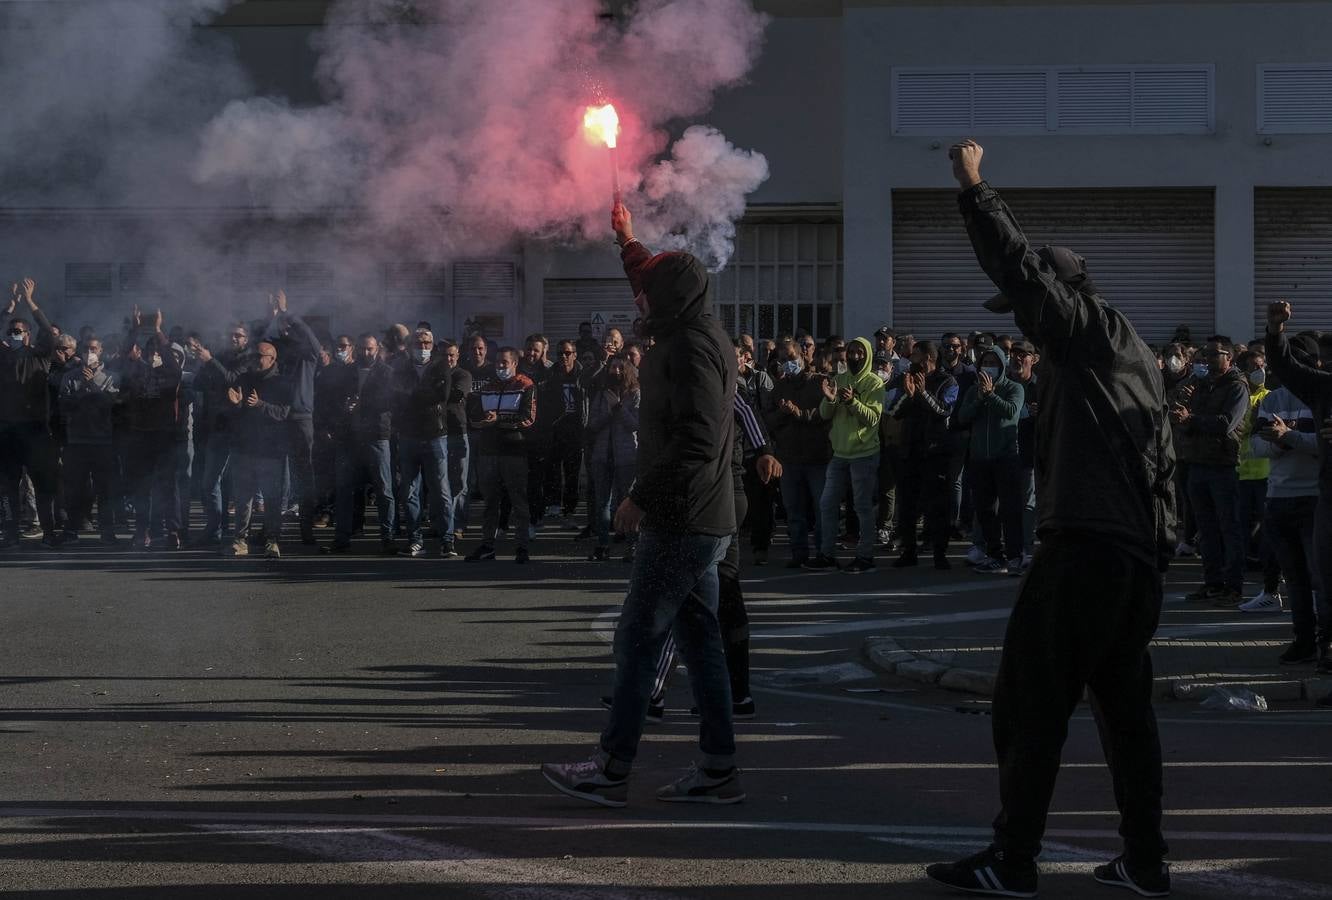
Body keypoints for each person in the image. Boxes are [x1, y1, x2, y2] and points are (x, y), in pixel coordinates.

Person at [926, 140, 1175, 898]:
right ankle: (1145, 858)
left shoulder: (1089, 334)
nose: (1020, 335)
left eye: (1027, 319)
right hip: (1132, 561)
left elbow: (1022, 271)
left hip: (1088, 553)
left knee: (1028, 699)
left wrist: (974, 190)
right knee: (1125, 713)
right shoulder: (1123, 355)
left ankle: (1014, 858)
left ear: (1061, 296)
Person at [543, 202, 742, 808]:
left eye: (647, 292)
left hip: (682, 517)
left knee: (637, 637)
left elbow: (698, 440)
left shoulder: (688, 351)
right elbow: (656, 282)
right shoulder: (692, 326)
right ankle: (718, 769)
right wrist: (629, 242)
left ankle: (610, 767)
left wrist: (638, 495)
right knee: (701, 641)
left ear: (669, 299)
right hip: (701, 516)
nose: (638, 301)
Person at [1247, 332, 1327, 667]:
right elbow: (1256, 446)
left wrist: (1289, 436)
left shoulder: (1320, 396)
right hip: (1278, 497)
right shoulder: (1272, 400)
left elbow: (1323, 446)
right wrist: (1278, 443)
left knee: (1319, 579)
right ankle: (1303, 640)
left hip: (1313, 497)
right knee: (1294, 578)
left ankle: (1326, 644)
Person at [1264, 302, 1332, 689]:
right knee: (1320, 576)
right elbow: (1287, 368)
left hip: (1312, 496)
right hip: (1323, 496)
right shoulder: (1321, 389)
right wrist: (1275, 332)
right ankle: (1321, 649)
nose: (1320, 366)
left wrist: (1290, 437)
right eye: (1320, 360)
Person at [1173, 340, 1250, 607]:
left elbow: (1227, 424)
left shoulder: (1236, 387)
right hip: (1197, 462)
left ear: (1228, 357)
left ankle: (1234, 586)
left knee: (1228, 527)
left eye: (1213, 355)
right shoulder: (1200, 386)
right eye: (1204, 355)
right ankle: (1213, 583)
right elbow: (1185, 420)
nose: (1206, 359)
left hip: (1222, 466)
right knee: (1206, 530)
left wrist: (1192, 419)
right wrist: (1184, 416)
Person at [805, 336, 882, 573]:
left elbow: (873, 418)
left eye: (860, 352)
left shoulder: (875, 383)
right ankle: (827, 555)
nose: (855, 356)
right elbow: (825, 414)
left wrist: (852, 403)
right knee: (827, 504)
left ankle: (865, 557)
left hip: (864, 454)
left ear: (868, 355)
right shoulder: (839, 379)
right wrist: (830, 400)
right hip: (839, 453)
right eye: (851, 351)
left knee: (861, 507)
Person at [322, 334, 396, 555]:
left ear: (377, 349)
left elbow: (390, 401)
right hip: (349, 437)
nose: (366, 353)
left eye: (370, 349)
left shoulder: (386, 372)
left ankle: (388, 538)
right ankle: (341, 537)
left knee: (384, 489)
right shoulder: (347, 372)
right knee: (344, 489)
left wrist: (361, 405)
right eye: (363, 349)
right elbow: (333, 399)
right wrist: (341, 411)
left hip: (376, 435)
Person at [955, 344, 1025, 575]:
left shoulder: (1014, 387)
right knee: (985, 511)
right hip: (979, 459)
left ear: (1002, 366)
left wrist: (991, 395)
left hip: (1005, 457)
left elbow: (1010, 412)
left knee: (1010, 509)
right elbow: (963, 416)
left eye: (993, 363)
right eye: (985, 363)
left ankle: (1015, 556)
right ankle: (995, 555)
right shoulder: (973, 389)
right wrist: (980, 398)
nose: (989, 368)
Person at [1, 278, 59, 548]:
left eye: (19, 330)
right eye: (11, 330)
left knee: (43, 485)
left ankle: (48, 532)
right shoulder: (2, 356)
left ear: (27, 334)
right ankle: (11, 533)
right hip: (8, 430)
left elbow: (50, 334)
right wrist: (10, 306)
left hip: (36, 430)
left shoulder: (40, 357)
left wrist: (31, 302)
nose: (14, 333)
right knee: (9, 486)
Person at [890, 340, 958, 570]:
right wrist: (910, 395)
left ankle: (939, 552)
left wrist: (922, 393)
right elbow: (896, 412)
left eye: (915, 356)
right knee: (907, 505)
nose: (911, 360)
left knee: (937, 506)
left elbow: (943, 410)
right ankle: (908, 551)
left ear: (928, 358)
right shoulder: (908, 379)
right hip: (910, 452)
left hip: (935, 453)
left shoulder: (947, 381)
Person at [119, 309, 183, 551]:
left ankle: (173, 531)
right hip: (140, 436)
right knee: (141, 487)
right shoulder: (136, 371)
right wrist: (135, 330)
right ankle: (141, 530)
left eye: (159, 353)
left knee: (169, 486)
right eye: (151, 352)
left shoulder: (169, 375)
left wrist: (158, 330)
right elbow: (125, 356)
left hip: (164, 437)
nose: (155, 355)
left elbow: (175, 368)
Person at [466, 347, 536, 563]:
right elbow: (475, 416)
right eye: (497, 362)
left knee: (518, 500)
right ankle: (488, 545)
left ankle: (522, 547)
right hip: (488, 451)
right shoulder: (488, 387)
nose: (500, 366)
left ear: (515, 363)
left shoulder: (526, 385)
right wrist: (482, 420)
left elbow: (527, 419)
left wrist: (498, 421)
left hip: (513, 451)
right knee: (490, 502)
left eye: (505, 362)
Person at [223, 340, 291, 558]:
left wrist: (260, 405)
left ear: (271, 358)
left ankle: (272, 540)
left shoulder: (282, 383)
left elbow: (284, 413)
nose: (254, 360)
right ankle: (240, 540)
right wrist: (235, 405)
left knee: (271, 499)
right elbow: (236, 413)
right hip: (245, 448)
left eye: (259, 356)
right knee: (243, 498)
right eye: (254, 356)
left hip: (270, 451)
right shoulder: (245, 379)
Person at [770, 341, 832, 568]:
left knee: (821, 509)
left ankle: (824, 553)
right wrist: (783, 413)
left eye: (792, 357)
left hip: (817, 457)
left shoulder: (819, 382)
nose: (788, 363)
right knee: (794, 511)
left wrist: (798, 413)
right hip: (789, 458)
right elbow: (769, 421)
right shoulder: (779, 387)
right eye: (783, 360)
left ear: (804, 356)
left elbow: (826, 414)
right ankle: (799, 553)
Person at [194, 322, 251, 547]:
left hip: (238, 429)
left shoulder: (247, 359)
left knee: (238, 486)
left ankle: (239, 535)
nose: (234, 338)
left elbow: (232, 379)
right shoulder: (219, 357)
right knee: (210, 483)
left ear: (246, 339)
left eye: (239, 335)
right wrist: (205, 363)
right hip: (217, 427)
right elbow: (199, 383)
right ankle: (215, 529)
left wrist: (210, 361)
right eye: (231, 335)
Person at [58, 335, 119, 544]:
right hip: (77, 441)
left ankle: (108, 532)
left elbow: (110, 406)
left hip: (103, 441)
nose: (89, 352)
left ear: (100, 351)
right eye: (85, 348)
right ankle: (71, 530)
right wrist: (81, 388)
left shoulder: (111, 377)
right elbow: (64, 405)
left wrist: (91, 384)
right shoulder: (70, 376)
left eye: (93, 348)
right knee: (75, 489)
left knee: (105, 490)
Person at [585, 356, 639, 561]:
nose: (615, 371)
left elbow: (635, 424)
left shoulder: (635, 394)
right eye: (612, 367)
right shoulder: (601, 395)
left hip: (626, 455)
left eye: (619, 367)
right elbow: (592, 423)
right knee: (602, 503)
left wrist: (617, 407)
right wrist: (609, 412)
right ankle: (602, 545)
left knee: (629, 500)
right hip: (602, 454)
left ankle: (632, 545)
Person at [542, 339, 587, 523]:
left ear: (574, 355)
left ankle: (570, 507)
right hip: (555, 427)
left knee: (572, 471)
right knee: (552, 468)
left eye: (567, 353)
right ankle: (553, 504)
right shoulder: (551, 375)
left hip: (575, 428)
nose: (563, 356)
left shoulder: (582, 375)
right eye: (560, 353)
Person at [440, 340, 472, 546]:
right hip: (437, 433)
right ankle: (443, 524)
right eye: (445, 355)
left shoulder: (463, 375)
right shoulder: (433, 374)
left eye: (451, 355)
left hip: (458, 433)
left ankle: (458, 524)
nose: (448, 359)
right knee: (441, 482)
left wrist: (437, 391)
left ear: (457, 355)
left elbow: (456, 394)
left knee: (459, 481)